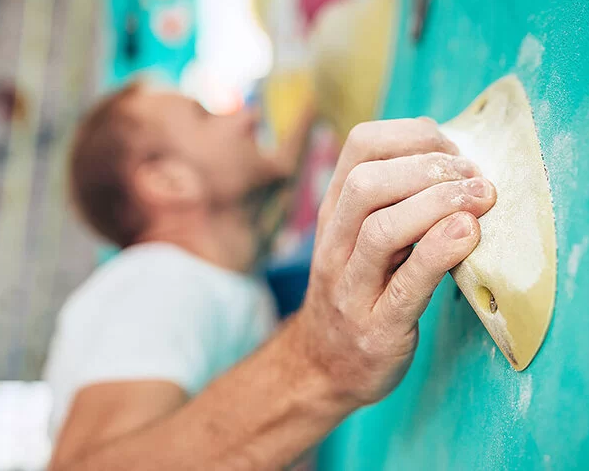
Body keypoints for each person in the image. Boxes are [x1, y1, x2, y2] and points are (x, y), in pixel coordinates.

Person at [45, 82, 496, 470]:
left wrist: (287, 149)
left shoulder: (209, 278)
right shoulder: (156, 282)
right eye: (204, 116)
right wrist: (321, 360)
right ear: (168, 181)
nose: (248, 115)